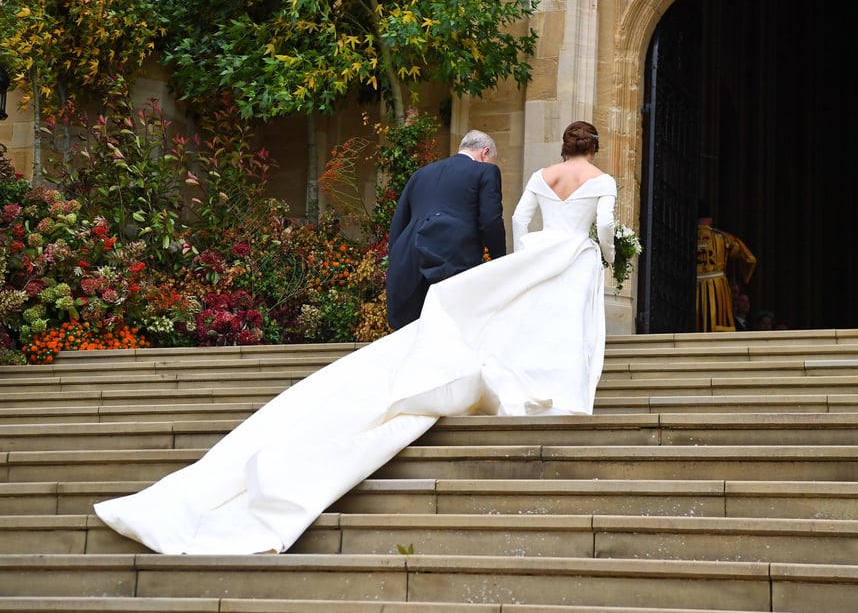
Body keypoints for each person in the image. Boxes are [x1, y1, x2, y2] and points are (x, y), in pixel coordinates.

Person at [93, 121, 616, 555]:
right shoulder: (503, 173)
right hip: (482, 256)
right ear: (484, 154)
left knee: (430, 331)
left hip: (413, 256)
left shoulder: (427, 172)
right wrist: (506, 270)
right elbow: (495, 221)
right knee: (462, 328)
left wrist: (415, 265)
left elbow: (405, 223)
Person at [385, 130, 507, 330]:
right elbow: (490, 221)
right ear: (485, 153)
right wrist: (500, 262)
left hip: (408, 260)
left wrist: (396, 261)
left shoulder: (421, 174)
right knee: (453, 329)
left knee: (416, 332)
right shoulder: (486, 171)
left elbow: (398, 223)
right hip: (453, 257)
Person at [695, 208, 756, 332]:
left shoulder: (685, 236)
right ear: (709, 220)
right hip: (716, 286)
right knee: (716, 321)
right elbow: (749, 259)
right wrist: (745, 276)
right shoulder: (722, 237)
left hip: (694, 286)